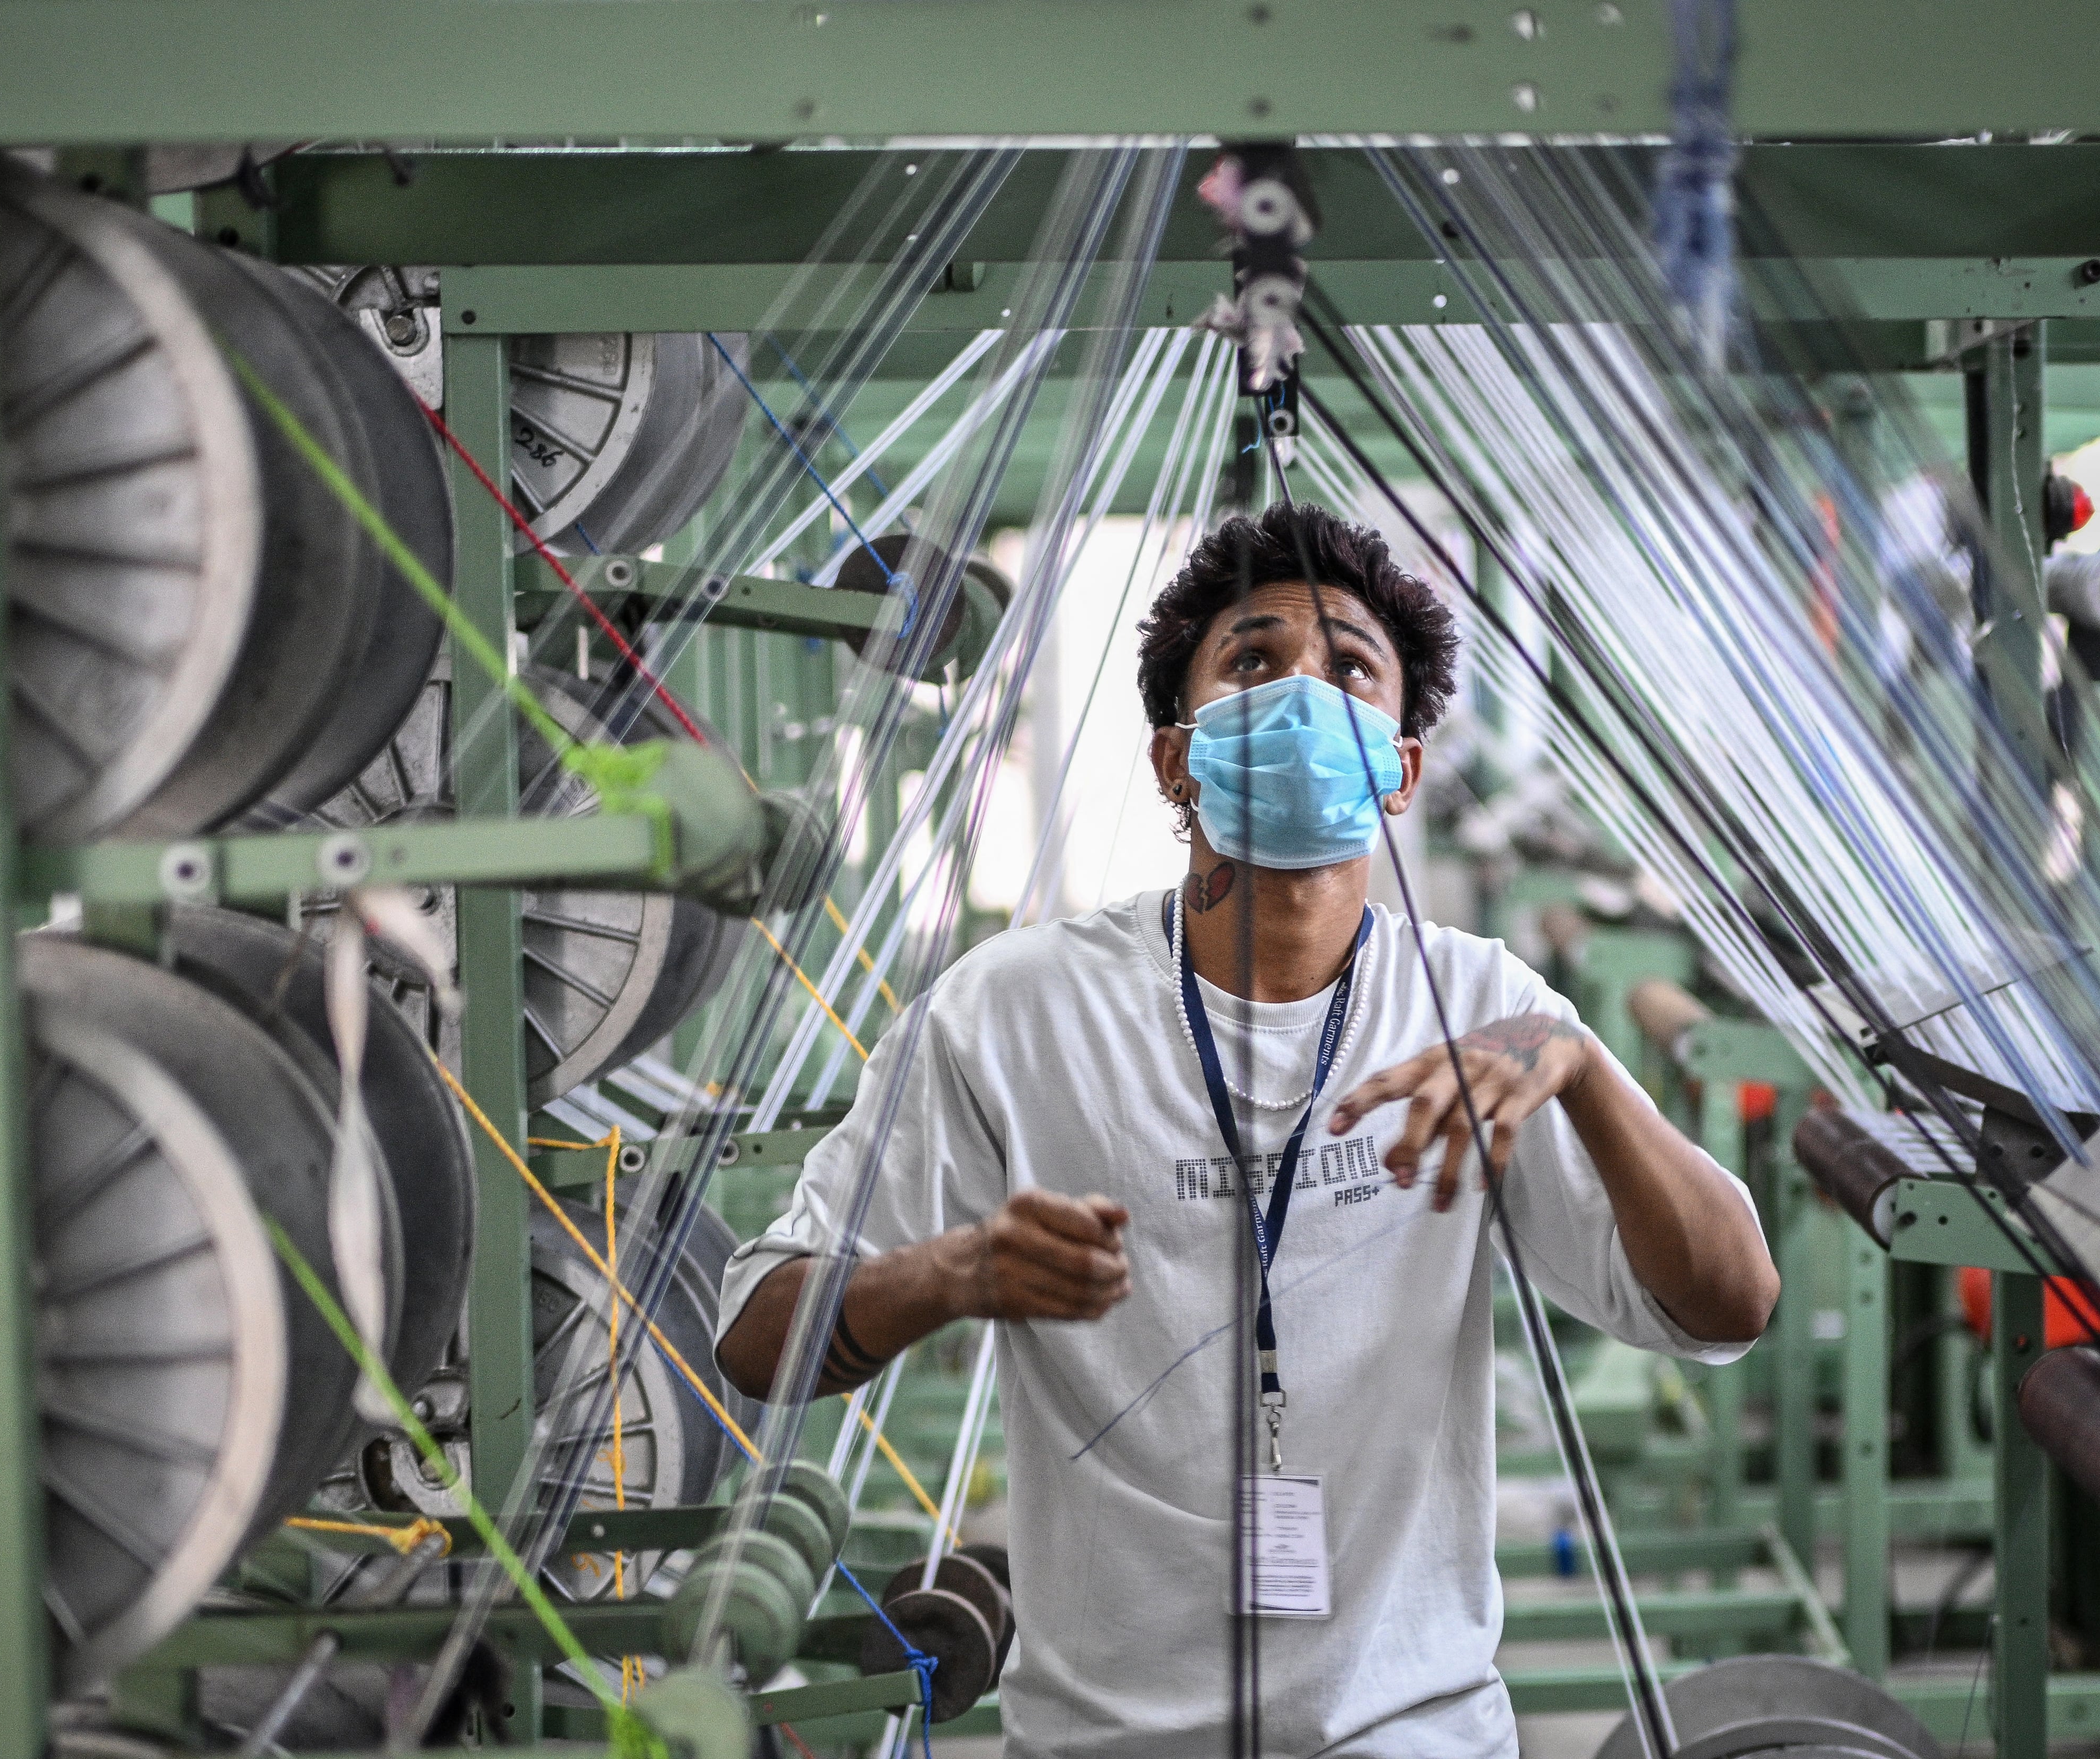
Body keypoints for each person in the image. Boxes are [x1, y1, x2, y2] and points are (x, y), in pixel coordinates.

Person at [714, 502, 1778, 1758]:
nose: (1305, 694)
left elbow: (1732, 1304)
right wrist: (945, 1275)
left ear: (1400, 763)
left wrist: (1584, 1070)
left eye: (1351, 669)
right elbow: (754, 1337)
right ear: (1177, 759)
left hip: (1415, 1736)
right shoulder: (1011, 1012)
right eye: (1255, 660)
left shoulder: (1485, 1010)